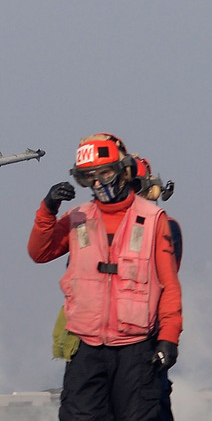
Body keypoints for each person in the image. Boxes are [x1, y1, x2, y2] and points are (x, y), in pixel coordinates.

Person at [29, 133, 182, 421]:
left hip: (136, 349)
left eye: (105, 172)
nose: (98, 182)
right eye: (88, 176)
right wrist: (48, 208)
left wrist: (169, 339)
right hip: (86, 349)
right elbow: (40, 252)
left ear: (123, 171)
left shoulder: (155, 220)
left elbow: (169, 286)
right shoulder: (77, 218)